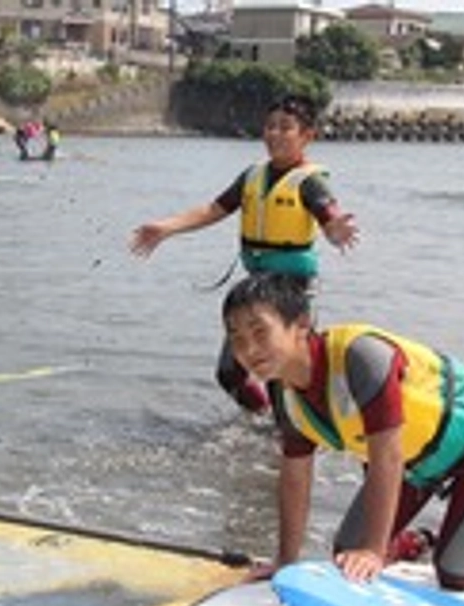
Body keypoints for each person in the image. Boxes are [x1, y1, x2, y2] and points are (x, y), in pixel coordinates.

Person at [222, 273, 464, 590]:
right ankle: (420, 543)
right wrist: (285, 561)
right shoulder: (284, 393)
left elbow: (387, 457)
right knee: (346, 555)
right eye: (238, 339)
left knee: (456, 574)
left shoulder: (360, 357)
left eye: (260, 332)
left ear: (301, 324)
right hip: (413, 463)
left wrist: (373, 551)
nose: (250, 349)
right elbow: (295, 476)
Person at [130, 94, 359, 414]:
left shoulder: (310, 183)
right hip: (257, 286)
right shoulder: (253, 176)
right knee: (230, 373)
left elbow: (328, 215)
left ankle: (300, 435)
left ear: (307, 136)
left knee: (283, 373)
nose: (275, 134)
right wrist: (167, 228)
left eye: (285, 127)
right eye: (270, 126)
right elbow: (214, 209)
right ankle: (268, 431)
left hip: (290, 291)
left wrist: (334, 230)